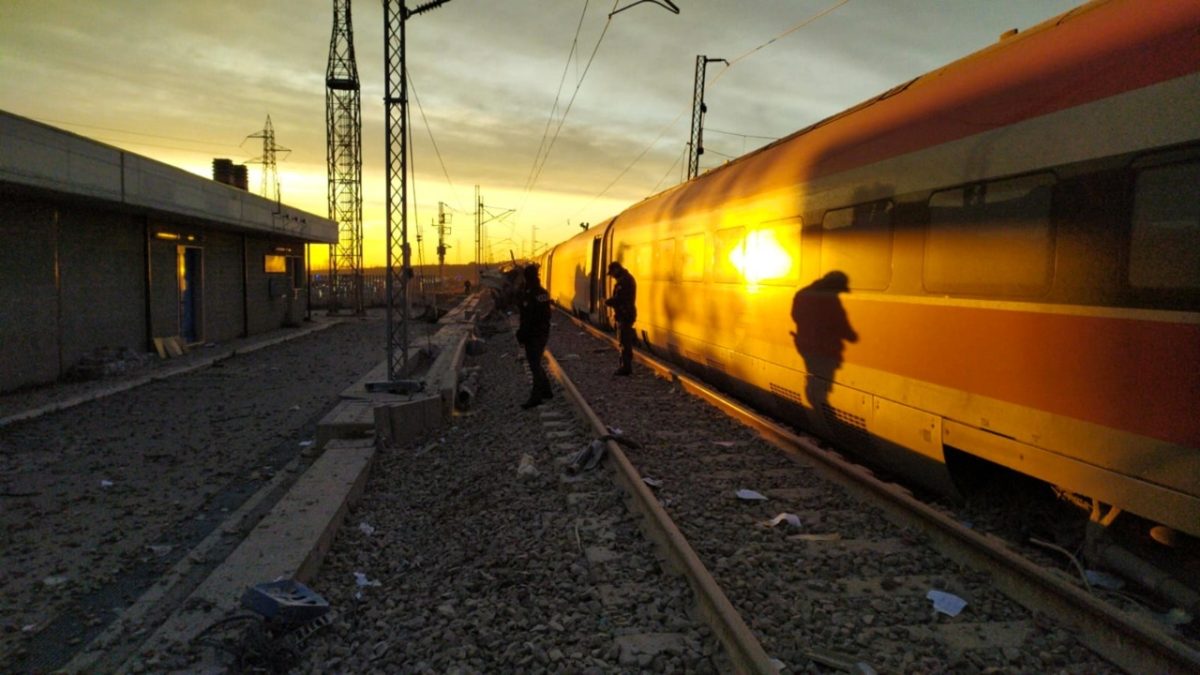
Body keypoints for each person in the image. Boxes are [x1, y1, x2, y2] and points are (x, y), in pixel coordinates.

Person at [516, 263, 553, 409]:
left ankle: (536, 396)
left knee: (534, 364)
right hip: (542, 332)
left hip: (533, 334)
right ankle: (546, 390)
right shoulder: (542, 292)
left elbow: (527, 317)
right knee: (536, 362)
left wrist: (521, 334)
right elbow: (545, 314)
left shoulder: (529, 294)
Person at [604, 260, 637, 376]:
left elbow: (620, 298)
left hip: (625, 313)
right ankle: (625, 365)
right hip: (626, 313)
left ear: (616, 270)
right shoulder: (626, 279)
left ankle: (625, 367)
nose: (612, 276)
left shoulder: (624, 281)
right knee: (624, 340)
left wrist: (608, 302)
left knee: (624, 341)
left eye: (612, 273)